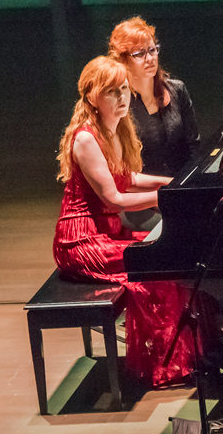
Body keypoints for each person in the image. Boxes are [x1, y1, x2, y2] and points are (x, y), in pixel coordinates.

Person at [53, 55, 209, 388]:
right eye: (113, 92)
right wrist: (167, 197)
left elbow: (129, 177)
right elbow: (114, 199)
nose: (123, 97)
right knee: (156, 270)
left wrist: (171, 182)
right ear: (94, 96)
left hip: (106, 232)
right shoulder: (85, 138)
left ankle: (194, 353)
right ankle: (166, 366)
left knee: (175, 260)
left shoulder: (114, 129)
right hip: (81, 241)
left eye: (124, 89)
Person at [108, 17, 200, 178]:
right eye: (139, 54)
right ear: (123, 60)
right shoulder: (120, 102)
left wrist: (191, 186)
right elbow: (122, 169)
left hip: (181, 187)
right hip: (142, 194)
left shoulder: (177, 89)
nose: (149, 58)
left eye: (152, 50)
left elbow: (193, 146)